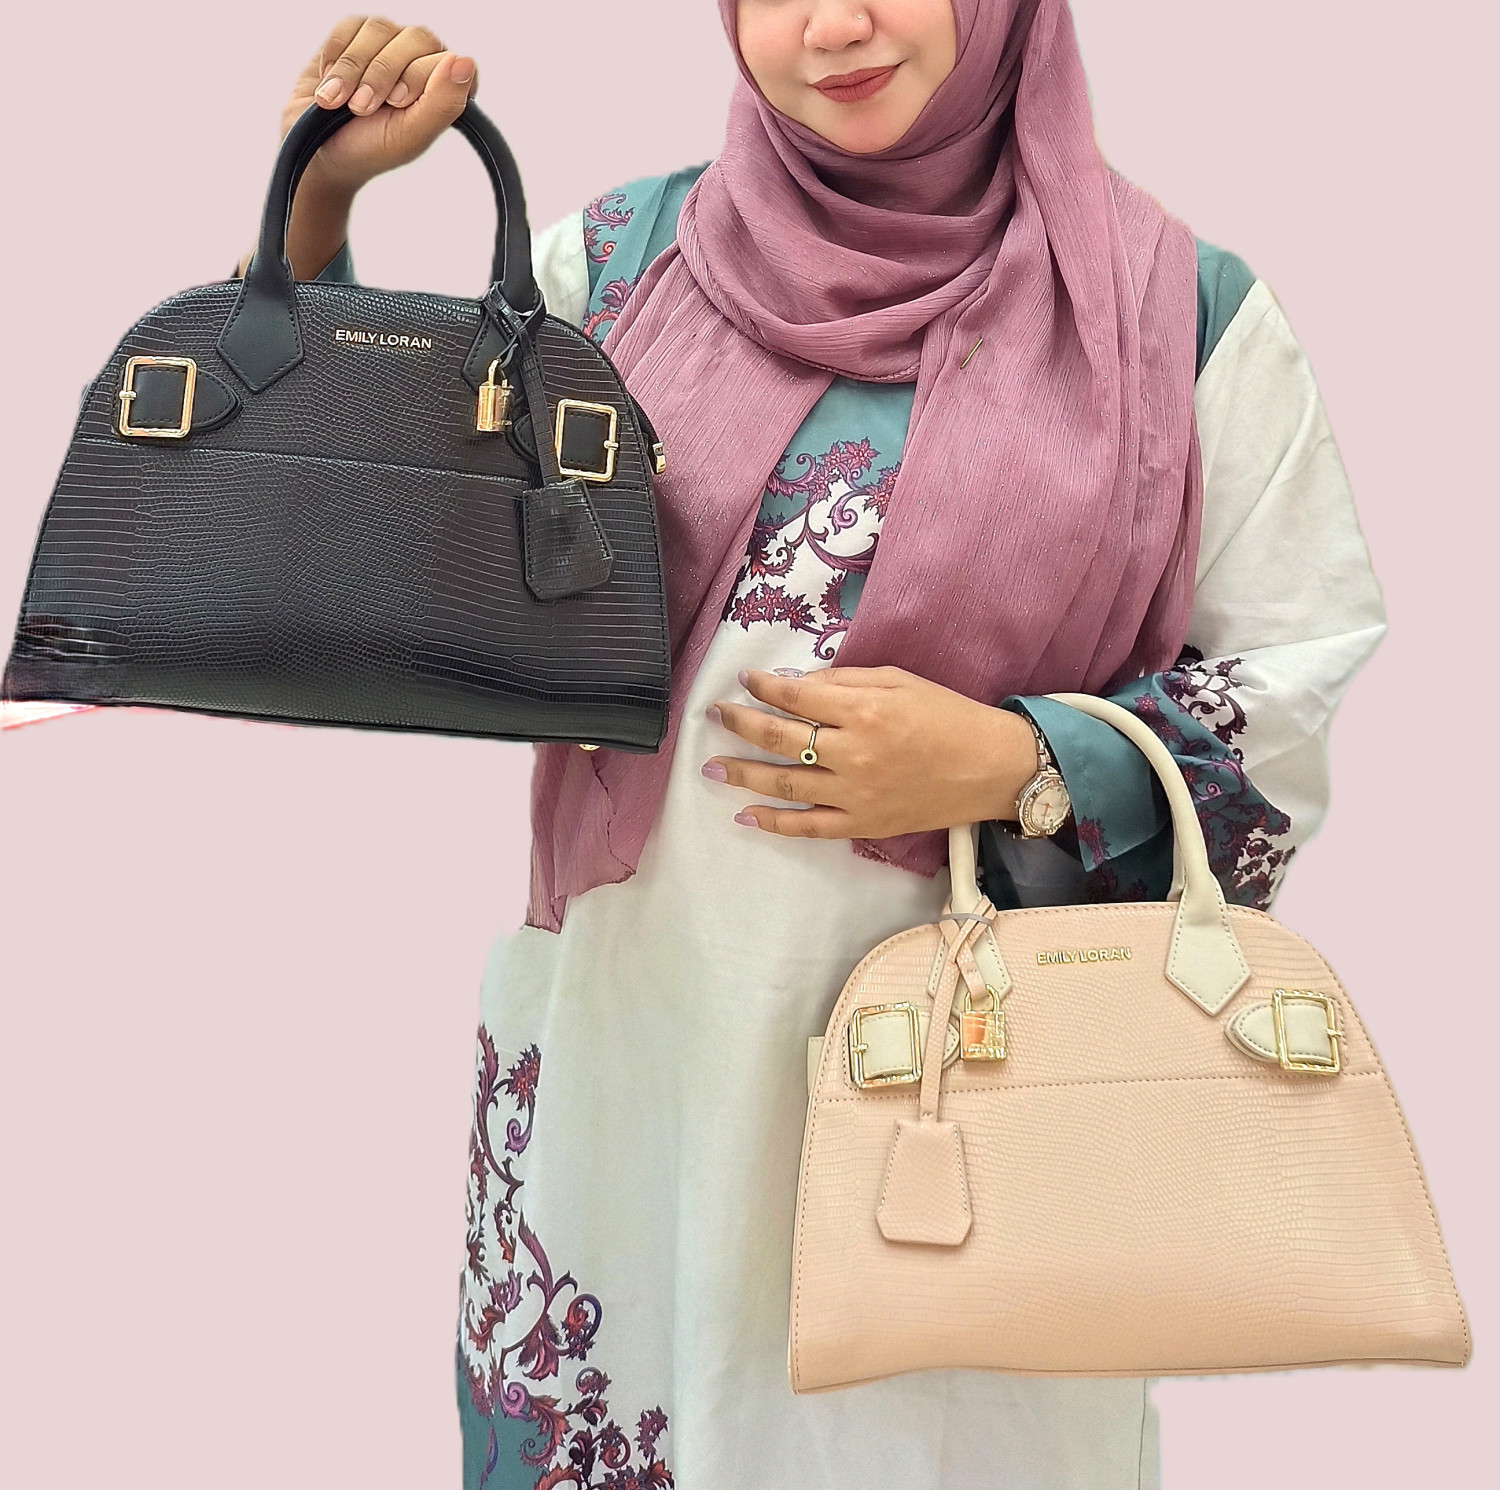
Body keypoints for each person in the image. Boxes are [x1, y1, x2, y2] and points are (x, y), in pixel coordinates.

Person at [265, 5, 1385, 1486]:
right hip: (640, 1063)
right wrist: (318, 211)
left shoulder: (1183, 319)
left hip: (986, 1110)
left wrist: (1013, 761)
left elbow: (1290, 691)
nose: (835, 25)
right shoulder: (619, 269)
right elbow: (388, 563)